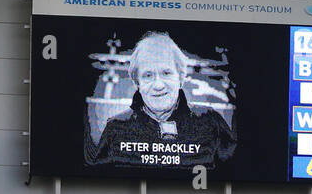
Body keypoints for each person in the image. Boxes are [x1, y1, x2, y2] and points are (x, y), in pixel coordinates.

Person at [87, 31, 236, 168]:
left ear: (181, 78)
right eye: (148, 75)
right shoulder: (116, 127)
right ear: (138, 83)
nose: (158, 85)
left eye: (166, 73)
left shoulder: (211, 122)